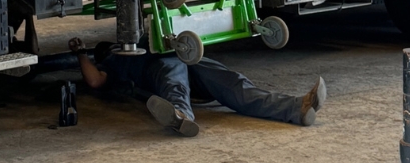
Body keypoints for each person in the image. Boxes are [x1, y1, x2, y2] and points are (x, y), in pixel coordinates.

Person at [69, 38, 326, 137]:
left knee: (234, 83)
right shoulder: (115, 63)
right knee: (174, 82)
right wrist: (82, 54)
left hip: (184, 55)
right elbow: (94, 80)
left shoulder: (140, 40)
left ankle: (296, 108)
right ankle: (181, 116)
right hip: (163, 65)